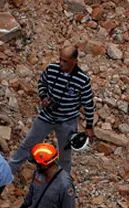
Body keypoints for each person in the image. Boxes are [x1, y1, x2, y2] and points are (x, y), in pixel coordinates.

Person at [8, 44, 95, 176]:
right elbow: (42, 83)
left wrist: (89, 126)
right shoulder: (52, 69)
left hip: (67, 121)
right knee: (27, 145)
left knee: (65, 157)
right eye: (60, 59)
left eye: (65, 61)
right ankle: (6, 172)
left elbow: (88, 104)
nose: (61, 63)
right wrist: (43, 97)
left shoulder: (82, 80)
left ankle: (63, 183)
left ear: (74, 61)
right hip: (46, 116)